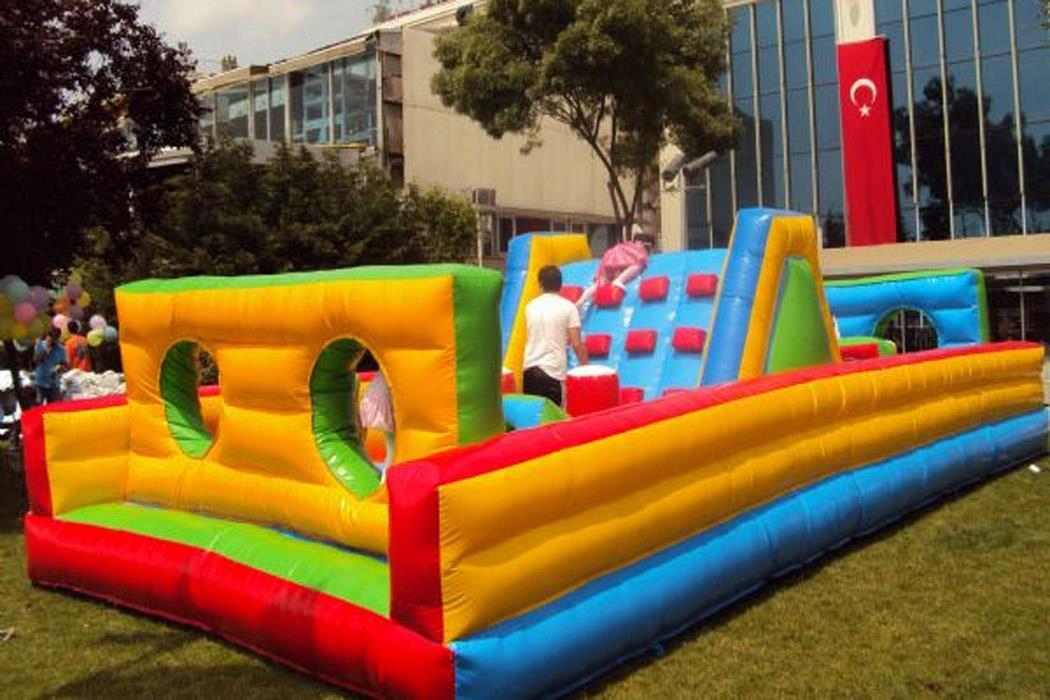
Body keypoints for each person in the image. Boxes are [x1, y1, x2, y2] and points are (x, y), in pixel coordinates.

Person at [523, 265, 588, 406]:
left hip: (529, 370)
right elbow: (576, 343)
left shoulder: (530, 307)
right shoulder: (568, 307)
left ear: (540, 284)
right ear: (560, 285)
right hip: (553, 372)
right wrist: (586, 367)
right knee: (555, 416)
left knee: (532, 415)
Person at [576, 237, 649, 310]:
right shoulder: (638, 248)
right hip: (619, 259)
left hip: (609, 258)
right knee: (638, 265)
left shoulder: (625, 246)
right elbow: (639, 261)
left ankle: (582, 300)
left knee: (599, 282)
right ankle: (619, 280)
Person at [359, 371, 395, 477]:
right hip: (385, 402)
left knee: (391, 449)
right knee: (393, 449)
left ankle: (385, 479)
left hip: (376, 399)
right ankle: (387, 479)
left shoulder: (385, 371)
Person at [33, 328, 67, 405]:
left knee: (52, 407)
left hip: (53, 384)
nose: (52, 340)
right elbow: (35, 361)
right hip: (41, 382)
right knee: (39, 405)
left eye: (55, 338)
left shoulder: (61, 349)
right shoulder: (40, 345)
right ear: (47, 336)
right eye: (50, 337)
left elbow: (64, 365)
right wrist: (46, 351)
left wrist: (60, 368)